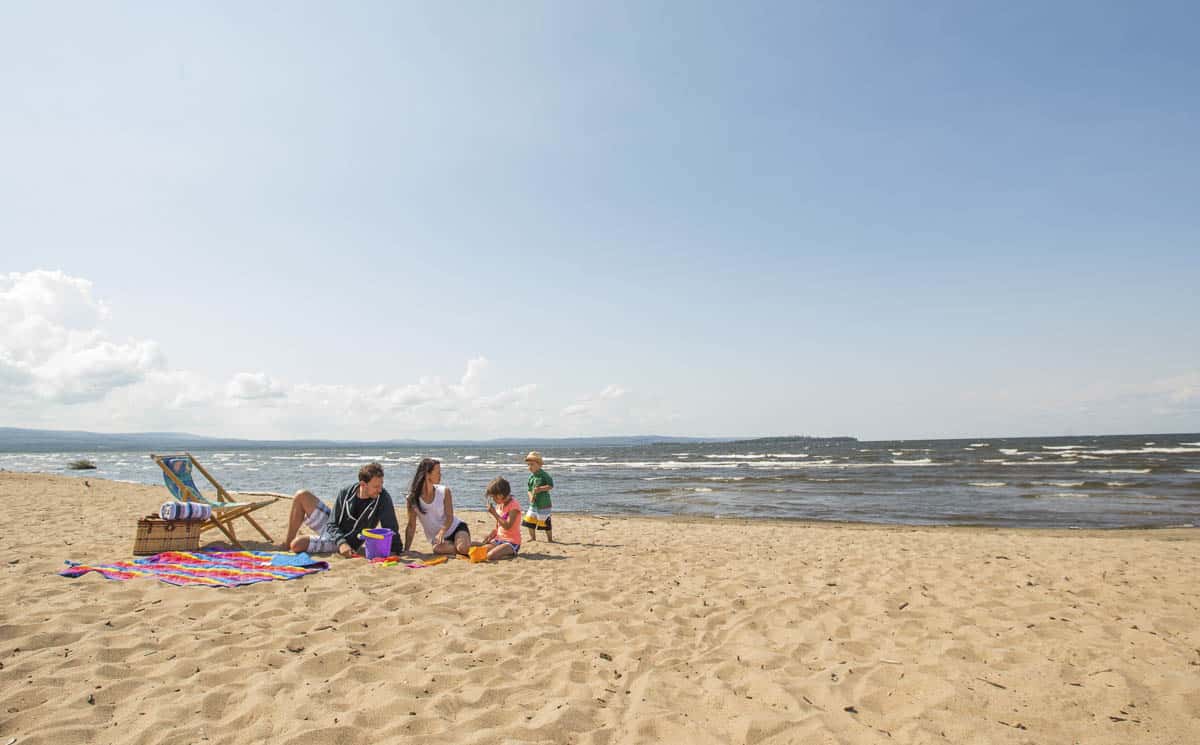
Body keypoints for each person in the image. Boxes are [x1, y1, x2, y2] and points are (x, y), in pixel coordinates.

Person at [280, 462, 401, 558]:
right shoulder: (346, 492)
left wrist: (395, 551)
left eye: (381, 485)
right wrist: (341, 542)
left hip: (347, 542)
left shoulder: (383, 498)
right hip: (336, 533)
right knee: (302, 495)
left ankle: (294, 544)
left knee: (296, 545)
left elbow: (391, 528)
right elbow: (332, 523)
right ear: (363, 485)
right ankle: (286, 545)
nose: (380, 490)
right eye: (376, 486)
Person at [404, 457, 471, 556]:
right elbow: (411, 526)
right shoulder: (412, 499)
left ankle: (465, 544)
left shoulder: (444, 491)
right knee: (437, 549)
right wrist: (406, 550)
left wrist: (441, 532)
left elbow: (449, 517)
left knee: (463, 549)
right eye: (438, 472)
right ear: (428, 475)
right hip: (440, 541)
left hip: (456, 528)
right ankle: (463, 544)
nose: (441, 475)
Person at [473, 476, 522, 561]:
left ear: (500, 495)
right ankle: (498, 551)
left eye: (493, 497)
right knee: (480, 550)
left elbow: (507, 526)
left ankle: (512, 554)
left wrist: (494, 513)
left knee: (490, 556)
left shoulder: (514, 506)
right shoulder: (499, 505)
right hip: (499, 539)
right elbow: (499, 526)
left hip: (511, 542)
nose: (493, 500)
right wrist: (492, 534)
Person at [521, 451, 554, 542]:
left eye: (532, 464)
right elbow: (529, 490)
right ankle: (533, 538)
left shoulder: (544, 475)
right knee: (529, 521)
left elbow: (550, 485)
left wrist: (540, 489)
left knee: (545, 522)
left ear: (539, 464)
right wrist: (530, 496)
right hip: (533, 504)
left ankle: (550, 539)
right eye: (528, 465)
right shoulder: (531, 477)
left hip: (544, 503)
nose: (529, 467)